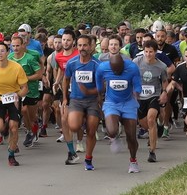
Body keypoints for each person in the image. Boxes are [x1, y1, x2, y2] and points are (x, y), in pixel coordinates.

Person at [97, 37, 146, 172]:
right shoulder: (103, 67)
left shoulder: (132, 67)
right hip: (112, 102)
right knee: (111, 130)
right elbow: (98, 82)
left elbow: (137, 86)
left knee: (131, 136)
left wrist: (136, 94)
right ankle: (114, 137)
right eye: (114, 71)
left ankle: (133, 161)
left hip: (128, 102)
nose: (117, 73)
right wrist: (99, 93)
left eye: (119, 71)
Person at [60, 33, 103, 169]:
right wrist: (65, 98)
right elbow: (66, 79)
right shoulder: (72, 63)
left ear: (91, 47)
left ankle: (88, 159)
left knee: (91, 131)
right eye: (79, 45)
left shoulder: (97, 64)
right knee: (73, 126)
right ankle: (82, 119)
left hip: (92, 101)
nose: (82, 48)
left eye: (85, 45)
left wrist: (91, 92)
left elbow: (103, 86)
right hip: (76, 100)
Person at [0, 37, 29, 164]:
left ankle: (11, 155)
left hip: (13, 99)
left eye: (2, 51)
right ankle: (5, 125)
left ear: (8, 52)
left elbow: (25, 88)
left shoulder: (16, 67)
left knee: (14, 128)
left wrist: (18, 95)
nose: (0, 54)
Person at [135, 39, 170, 161]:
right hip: (140, 96)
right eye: (146, 52)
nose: (148, 54)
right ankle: (154, 131)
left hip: (154, 95)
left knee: (151, 119)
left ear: (155, 52)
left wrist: (164, 92)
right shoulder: (137, 62)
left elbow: (165, 81)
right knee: (144, 123)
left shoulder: (161, 66)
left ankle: (152, 152)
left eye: (151, 52)